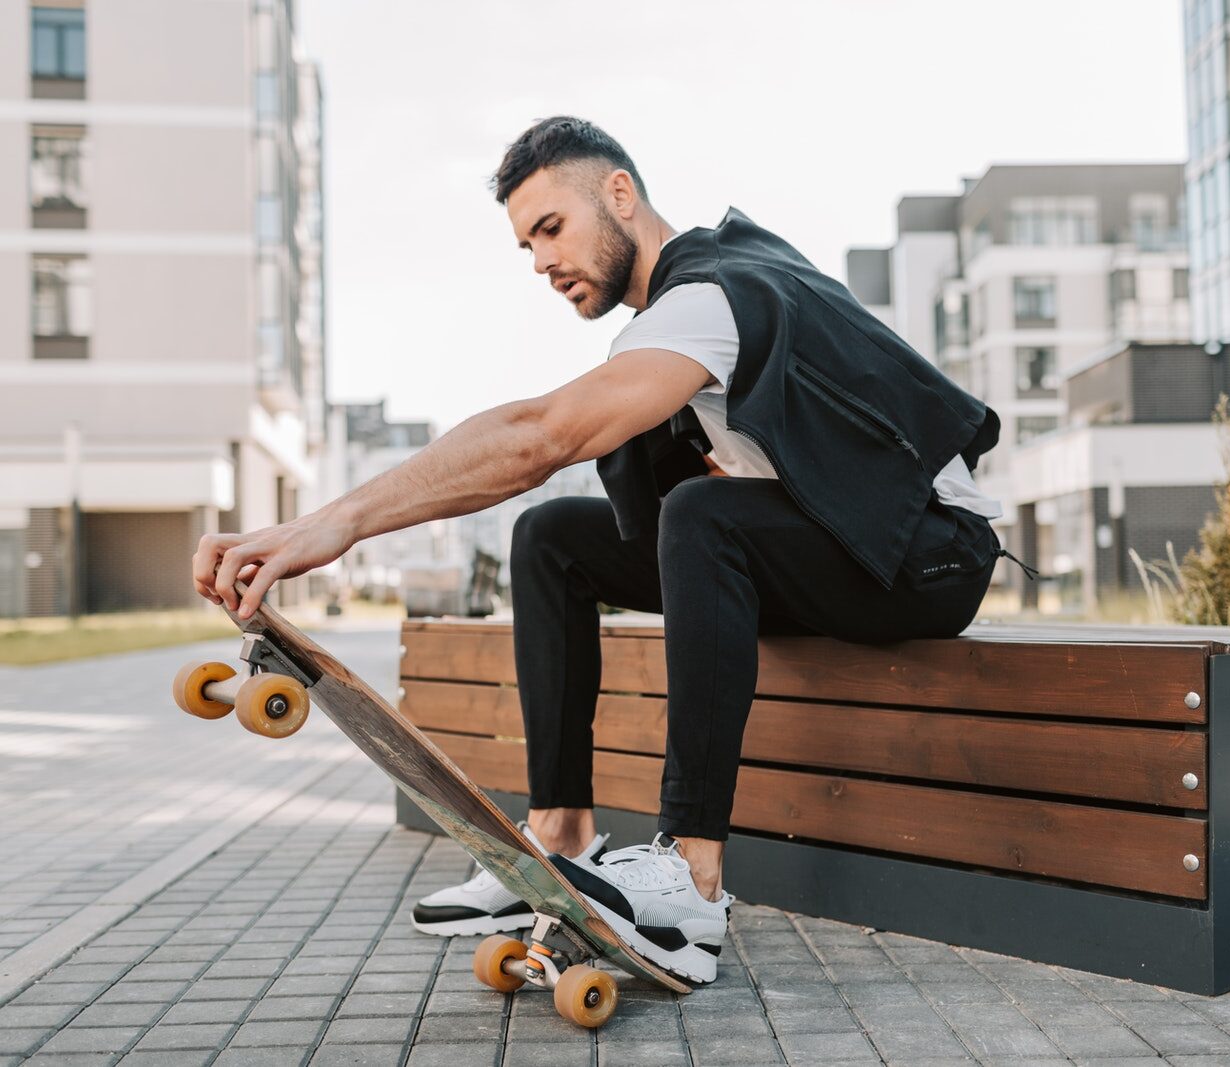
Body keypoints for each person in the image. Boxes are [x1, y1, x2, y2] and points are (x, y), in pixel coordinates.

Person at [191, 116, 1033, 987]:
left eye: (551, 229)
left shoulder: (711, 296)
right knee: (554, 536)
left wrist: (328, 527)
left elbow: (538, 437)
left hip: (927, 556)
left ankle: (692, 877)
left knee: (705, 515)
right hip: (836, 548)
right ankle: (558, 832)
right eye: (525, 245)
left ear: (620, 195)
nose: (541, 262)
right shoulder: (689, 307)